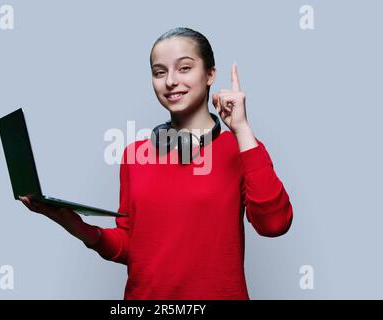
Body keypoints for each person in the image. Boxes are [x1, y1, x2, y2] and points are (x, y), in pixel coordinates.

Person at [20, 27, 293, 300]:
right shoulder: (134, 155)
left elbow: (274, 225)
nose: (170, 81)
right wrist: (75, 225)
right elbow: (132, 248)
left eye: (184, 68)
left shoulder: (242, 149)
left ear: (210, 74)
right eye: (159, 72)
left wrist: (242, 129)